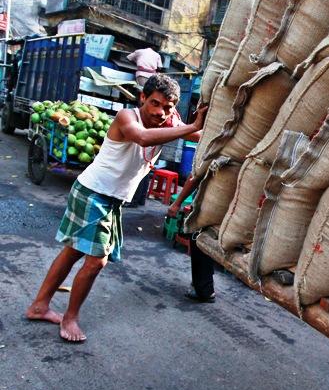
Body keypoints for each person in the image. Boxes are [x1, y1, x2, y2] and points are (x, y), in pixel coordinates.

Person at [25, 74, 207, 342]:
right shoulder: (127, 117)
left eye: (167, 108)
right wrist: (190, 125)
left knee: (72, 252)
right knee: (97, 260)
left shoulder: (170, 122)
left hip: (110, 199)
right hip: (93, 192)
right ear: (143, 98)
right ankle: (70, 318)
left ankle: (39, 306)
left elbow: (199, 134)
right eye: (155, 104)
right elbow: (143, 138)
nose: (160, 112)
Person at [167, 173, 216, 303]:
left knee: (199, 243)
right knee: (207, 244)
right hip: (218, 209)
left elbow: (194, 176)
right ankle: (203, 285)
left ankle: (205, 290)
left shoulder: (210, 156)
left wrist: (177, 203)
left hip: (205, 207)